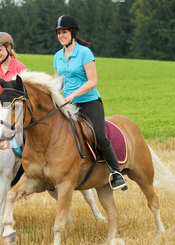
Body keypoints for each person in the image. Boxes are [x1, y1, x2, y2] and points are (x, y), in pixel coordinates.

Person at [53, 15, 128, 191]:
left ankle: (116, 173)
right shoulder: (57, 56)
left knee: (99, 135)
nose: (61, 35)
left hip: (89, 102)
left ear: (72, 33)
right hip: (69, 104)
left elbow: (92, 81)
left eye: (64, 32)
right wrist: (54, 97)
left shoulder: (85, 53)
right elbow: (58, 83)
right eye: (58, 33)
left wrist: (73, 95)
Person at [0, 32, 26, 110]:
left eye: (0, 50)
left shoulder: (19, 67)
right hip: (1, 107)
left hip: (17, 109)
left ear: (9, 48)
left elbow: (24, 96)